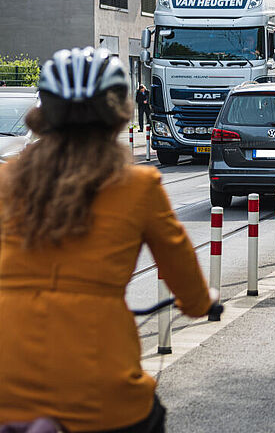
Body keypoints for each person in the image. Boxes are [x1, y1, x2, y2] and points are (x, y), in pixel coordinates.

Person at [0, 47, 217, 432]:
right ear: (118, 116)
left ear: (42, 113)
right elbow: (181, 268)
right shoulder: (138, 185)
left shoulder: (5, 180)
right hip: (99, 390)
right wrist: (203, 303)